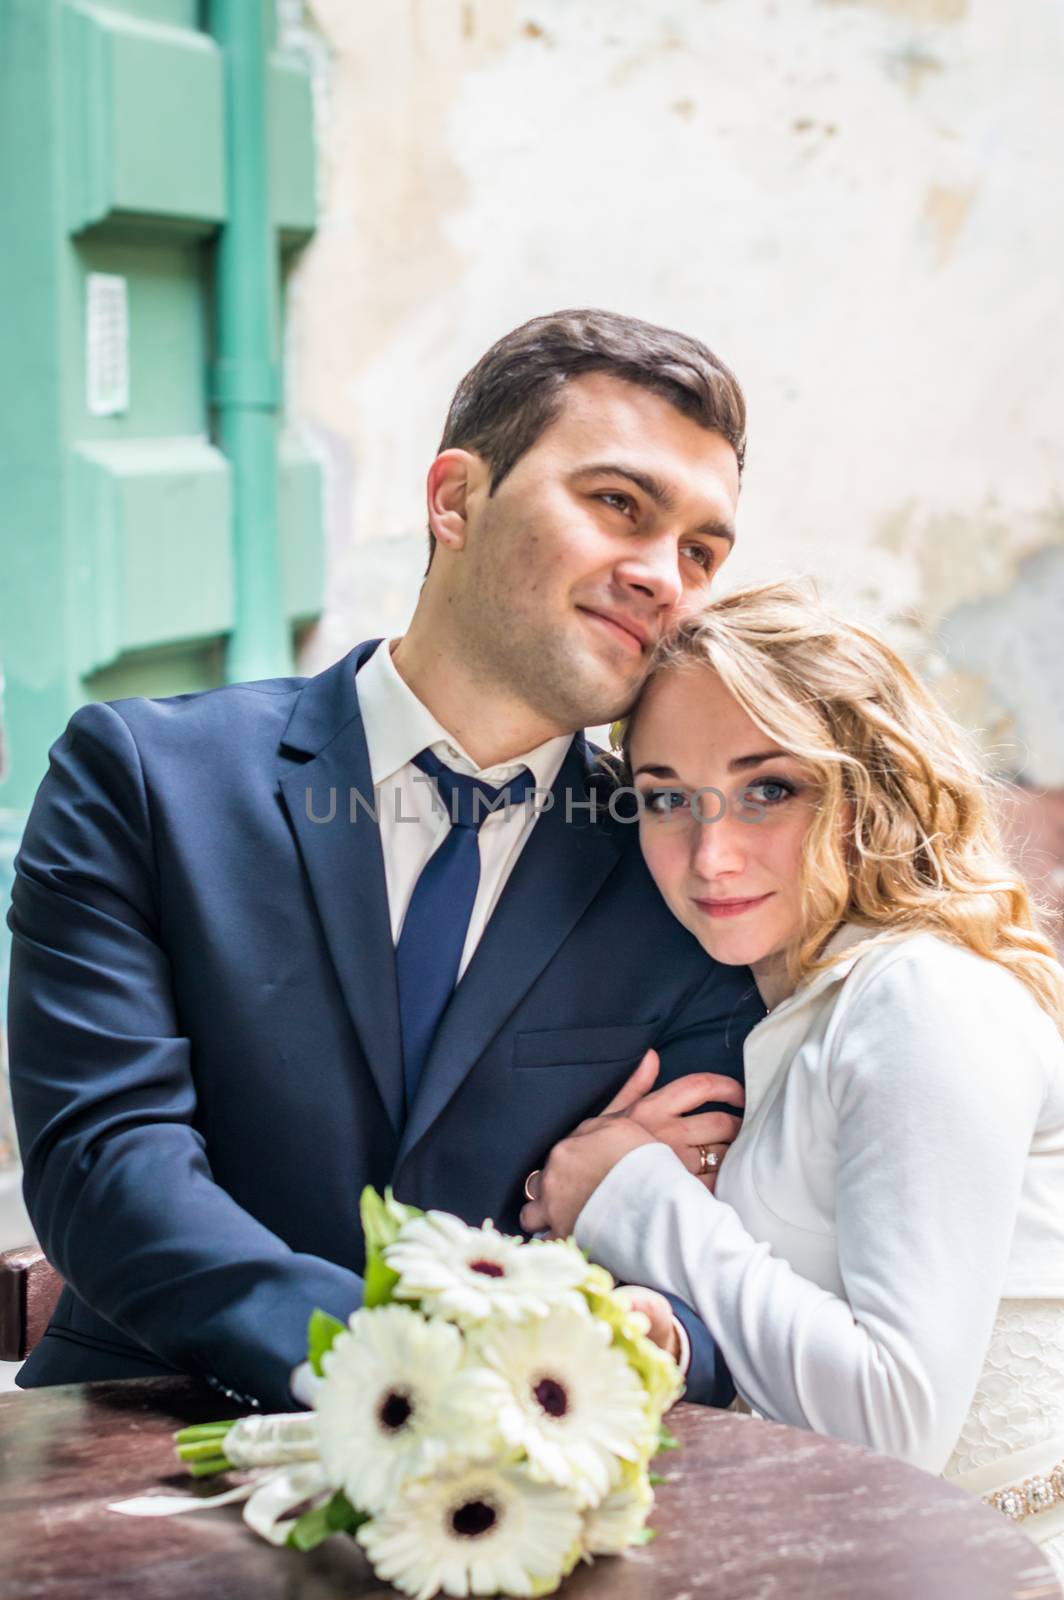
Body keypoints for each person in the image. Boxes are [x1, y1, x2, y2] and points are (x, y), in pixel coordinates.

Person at [7, 308, 764, 1410]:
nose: (663, 576)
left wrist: (651, 1312)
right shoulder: (143, 778)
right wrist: (403, 1368)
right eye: (616, 504)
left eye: (700, 549)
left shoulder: (687, 868)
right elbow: (106, 1168)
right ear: (454, 498)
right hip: (146, 1436)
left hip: (529, 1471)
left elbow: (714, 1253)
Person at [520, 579, 1064, 1578]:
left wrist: (626, 1191)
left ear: (872, 792)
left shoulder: (918, 997)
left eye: (768, 787)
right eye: (665, 796)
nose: (709, 852)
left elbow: (895, 1423)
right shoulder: (803, 1011)